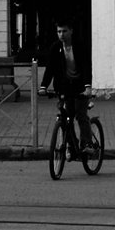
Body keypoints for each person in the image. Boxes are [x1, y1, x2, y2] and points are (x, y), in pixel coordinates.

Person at [40, 21, 91, 154]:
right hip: (64, 87)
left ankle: (87, 144)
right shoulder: (55, 47)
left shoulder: (79, 45)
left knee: (81, 115)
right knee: (65, 118)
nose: (61, 34)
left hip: (80, 86)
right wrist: (43, 86)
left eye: (64, 31)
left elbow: (86, 66)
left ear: (71, 31)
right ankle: (72, 146)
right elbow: (50, 68)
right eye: (59, 31)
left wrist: (87, 87)